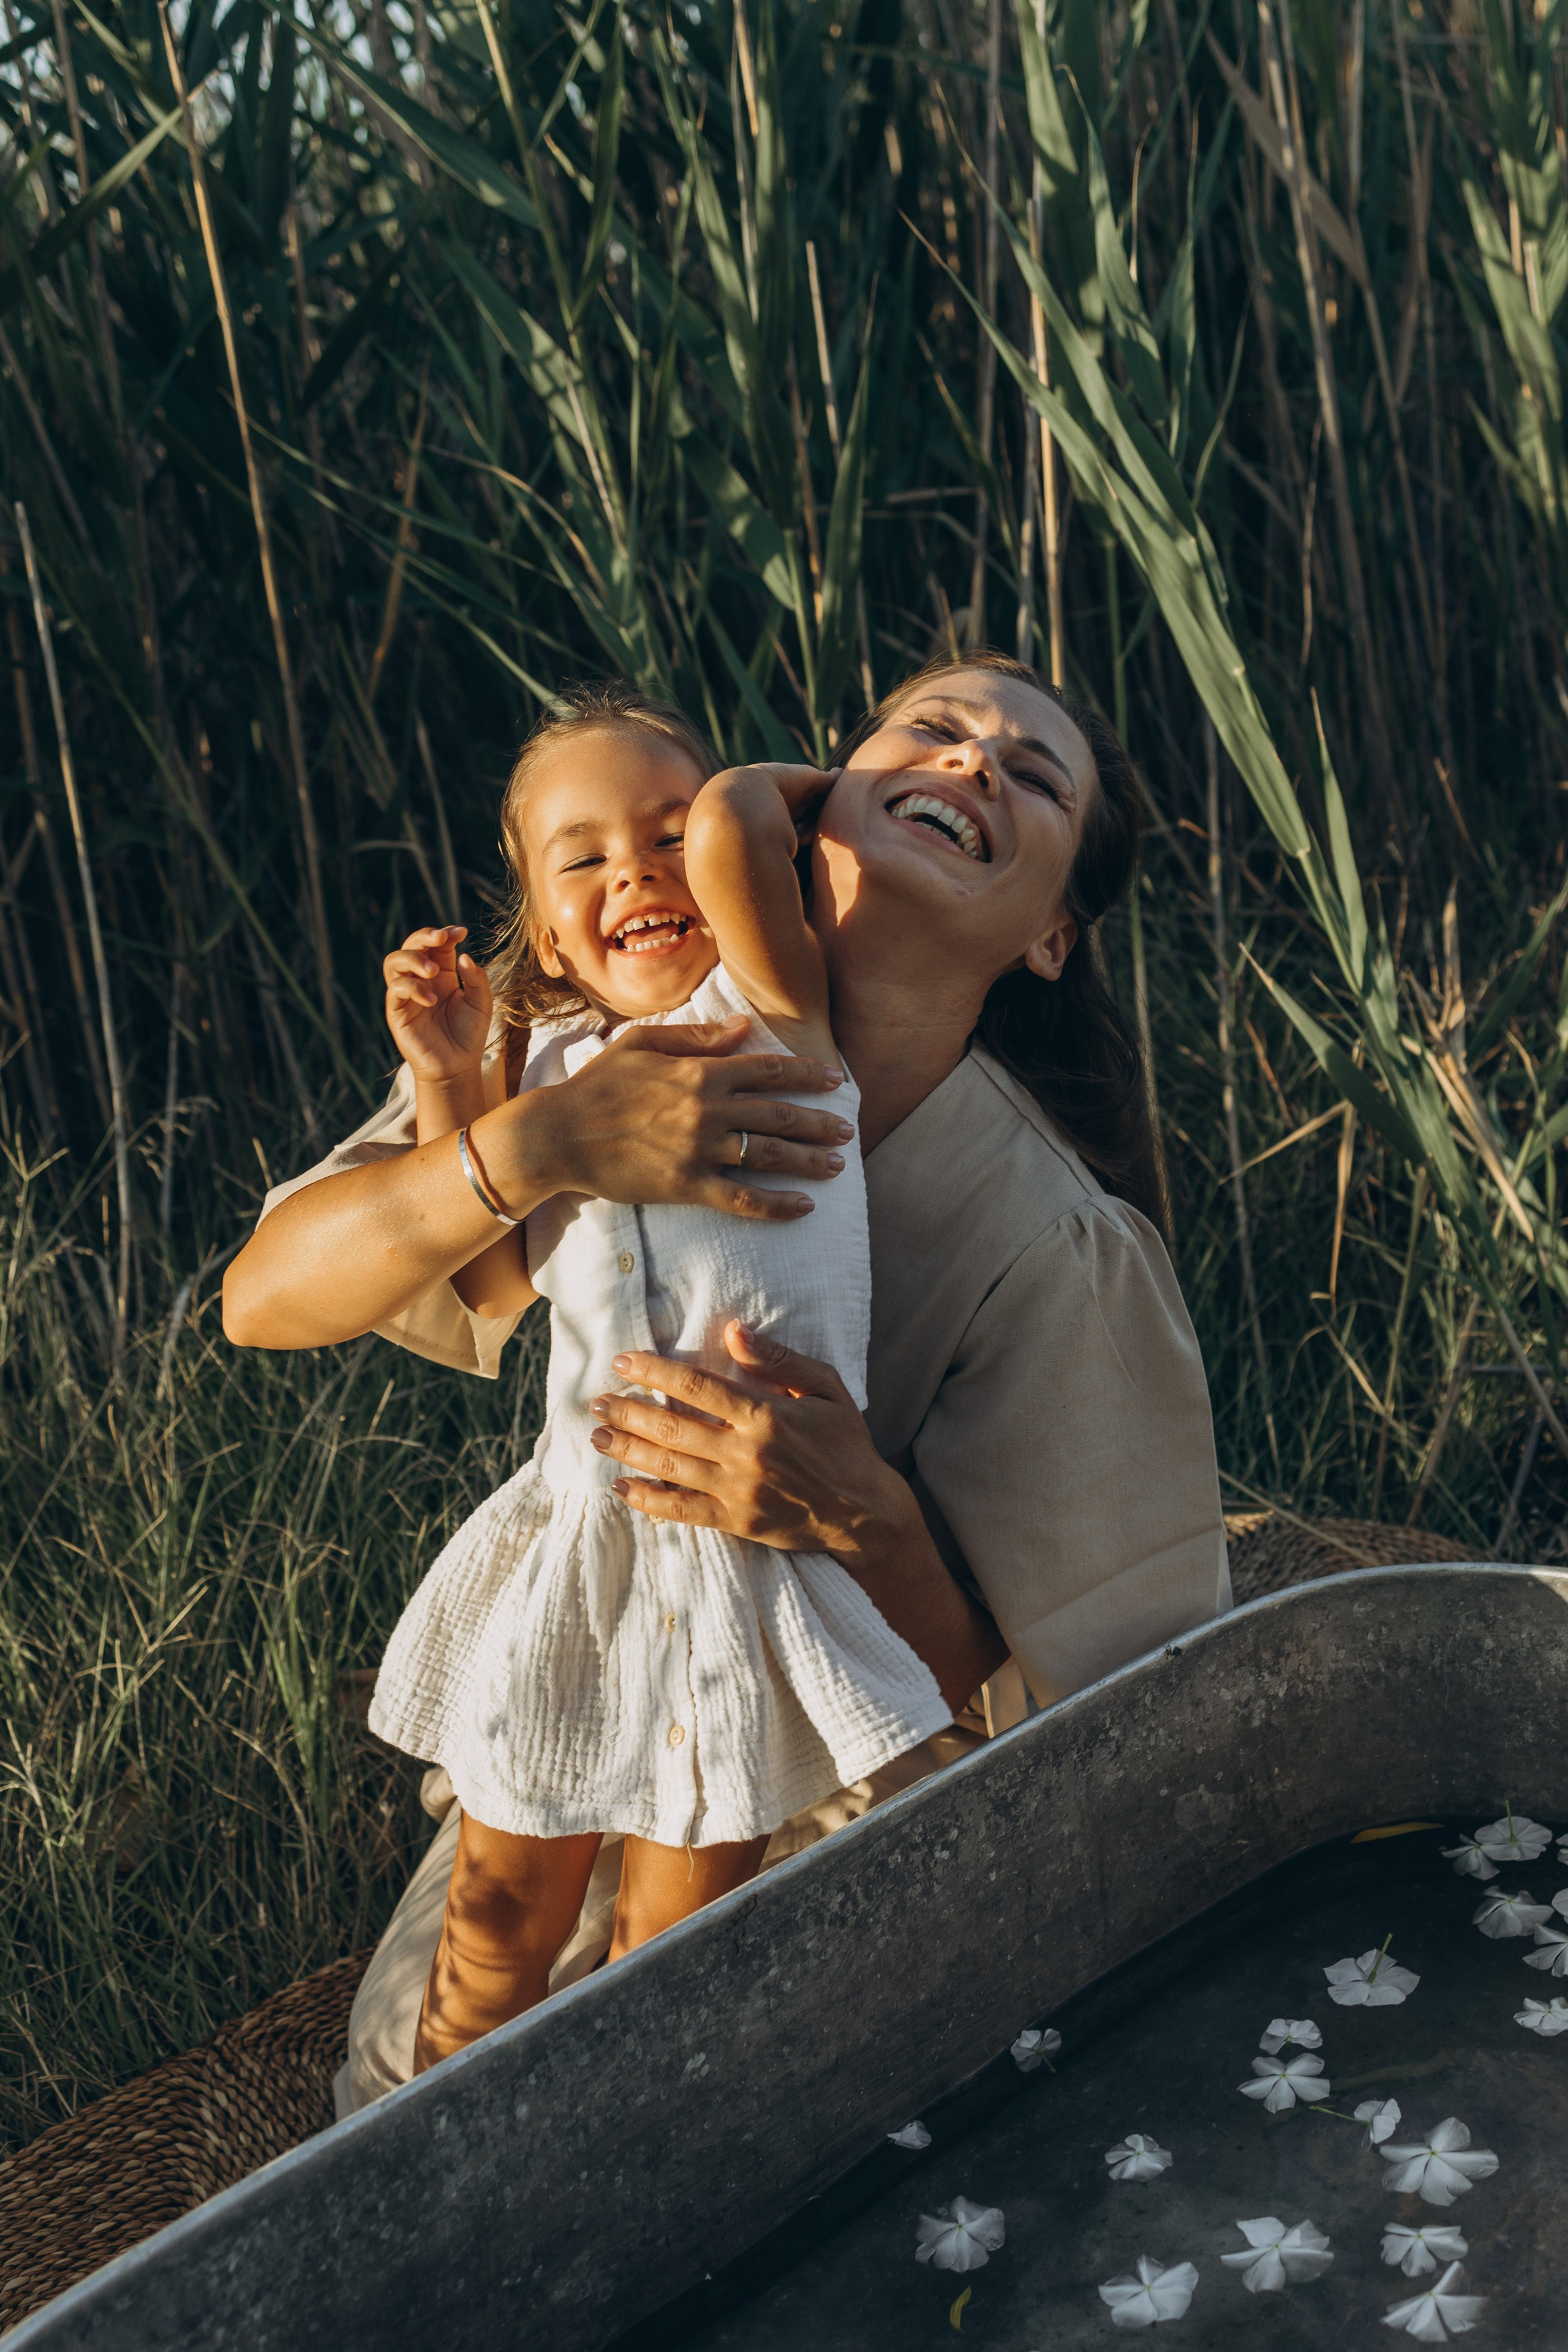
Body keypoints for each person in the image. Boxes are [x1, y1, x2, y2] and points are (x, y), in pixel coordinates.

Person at [224, 651, 1230, 2106]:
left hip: (870, 1758)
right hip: (610, 1649)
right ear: (822, 800)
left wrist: (859, 1521)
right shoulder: (592, 1025)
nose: (969, 767)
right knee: (404, 2081)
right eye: (932, 733)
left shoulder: (1056, 1244)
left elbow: (1117, 1728)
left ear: (1051, 937)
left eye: (1030, 776)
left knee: (690, 2087)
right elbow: (264, 1300)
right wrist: (536, 1146)